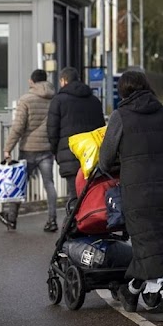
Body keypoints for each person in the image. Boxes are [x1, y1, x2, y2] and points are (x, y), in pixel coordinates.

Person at [98, 70, 163, 322]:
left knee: (144, 241)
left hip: (137, 188)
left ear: (122, 91)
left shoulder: (120, 116)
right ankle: (132, 290)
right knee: (160, 239)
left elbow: (105, 159)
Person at [46, 66, 105, 232]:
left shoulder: (58, 100)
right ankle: (90, 226)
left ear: (64, 81)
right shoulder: (94, 100)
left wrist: (55, 151)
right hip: (92, 155)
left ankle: (73, 230)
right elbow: (101, 129)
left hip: (70, 154)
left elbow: (52, 129)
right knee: (90, 192)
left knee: (74, 194)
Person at [1, 69, 56, 230]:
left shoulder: (26, 100)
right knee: (49, 184)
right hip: (47, 149)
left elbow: (18, 127)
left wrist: (8, 148)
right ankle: (52, 220)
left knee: (19, 184)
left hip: (28, 149)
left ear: (32, 81)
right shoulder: (54, 99)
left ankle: (12, 218)